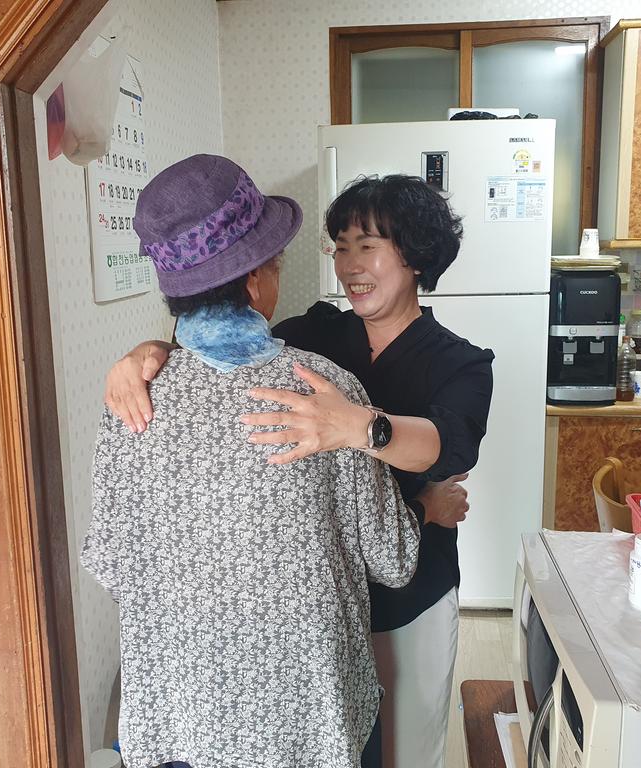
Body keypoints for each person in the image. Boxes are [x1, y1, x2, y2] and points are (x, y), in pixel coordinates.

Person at [105, 174, 494, 768]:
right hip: (310, 624)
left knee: (411, 750)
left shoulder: (459, 361)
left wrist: (361, 427)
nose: (350, 264)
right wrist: (148, 354)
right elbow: (221, 360)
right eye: (341, 246)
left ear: (415, 257)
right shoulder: (315, 336)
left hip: (406, 598)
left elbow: (450, 445)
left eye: (368, 246)